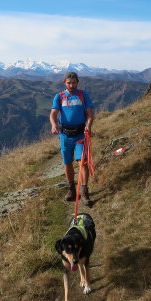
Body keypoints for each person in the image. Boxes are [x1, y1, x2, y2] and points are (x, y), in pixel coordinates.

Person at [50, 72, 95, 203]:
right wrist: (54, 125)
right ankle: (71, 189)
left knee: (83, 163)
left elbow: (90, 114)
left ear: (77, 82)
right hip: (65, 135)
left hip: (81, 134)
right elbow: (53, 114)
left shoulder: (83, 95)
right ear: (64, 82)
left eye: (73, 82)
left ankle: (84, 191)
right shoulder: (59, 96)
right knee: (67, 163)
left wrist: (88, 126)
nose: (71, 85)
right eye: (69, 83)